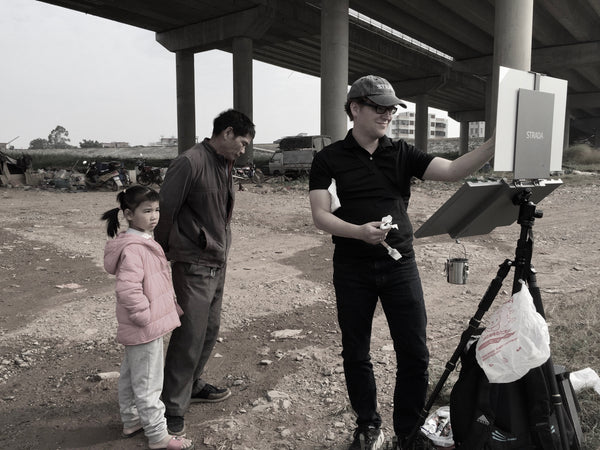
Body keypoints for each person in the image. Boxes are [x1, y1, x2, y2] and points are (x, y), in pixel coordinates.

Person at [308, 75, 495, 450]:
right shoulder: (328, 159)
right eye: (379, 107)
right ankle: (368, 426)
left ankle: (407, 430)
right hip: (352, 267)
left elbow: (453, 171)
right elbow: (320, 214)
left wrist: (495, 144)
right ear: (355, 108)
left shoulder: (402, 152)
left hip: (400, 265)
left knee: (414, 351)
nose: (388, 114)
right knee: (356, 350)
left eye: (391, 108)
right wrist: (359, 232)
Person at [154, 109, 255, 435]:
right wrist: (162, 252)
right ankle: (172, 405)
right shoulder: (190, 162)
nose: (243, 151)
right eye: (241, 143)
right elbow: (165, 210)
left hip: (217, 259)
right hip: (194, 262)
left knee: (209, 330)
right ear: (226, 133)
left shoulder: (224, 164)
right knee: (190, 334)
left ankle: (192, 385)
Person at [102, 186, 193, 450]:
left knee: (132, 376)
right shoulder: (135, 248)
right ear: (129, 214)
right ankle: (158, 436)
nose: (154, 216)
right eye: (147, 211)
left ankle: (131, 420)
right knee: (149, 383)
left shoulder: (142, 240)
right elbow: (128, 289)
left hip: (143, 326)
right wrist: (145, 316)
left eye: (156, 210)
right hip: (145, 327)